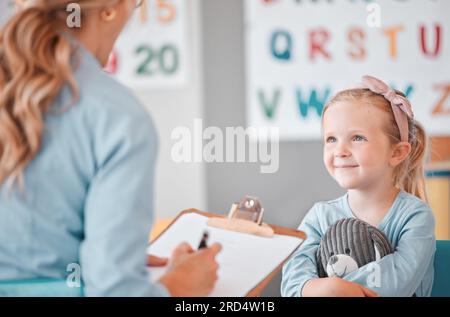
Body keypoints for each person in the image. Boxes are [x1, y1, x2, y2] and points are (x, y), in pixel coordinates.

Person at [0, 0, 221, 297]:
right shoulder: (116, 116)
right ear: (110, 9)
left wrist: (93, 256)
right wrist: (181, 285)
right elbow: (114, 292)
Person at [281, 76, 435, 297]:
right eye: (331, 139)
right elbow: (292, 282)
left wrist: (330, 287)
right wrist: (311, 288)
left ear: (397, 152)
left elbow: (397, 282)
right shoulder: (319, 216)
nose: (340, 150)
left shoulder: (415, 217)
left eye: (357, 138)